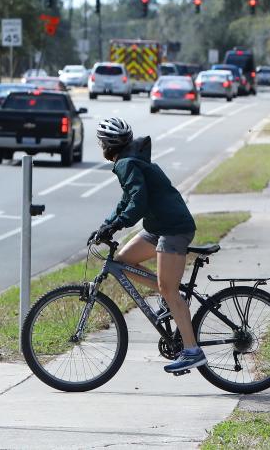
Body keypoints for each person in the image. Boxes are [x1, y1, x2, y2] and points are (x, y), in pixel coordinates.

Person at [89, 117, 207, 374]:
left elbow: (138, 202)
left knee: (168, 288)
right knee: (122, 262)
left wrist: (118, 224)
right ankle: (171, 300)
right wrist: (106, 224)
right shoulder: (131, 160)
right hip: (158, 227)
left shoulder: (128, 163)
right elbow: (128, 199)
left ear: (106, 145)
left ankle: (191, 351)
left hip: (173, 228)